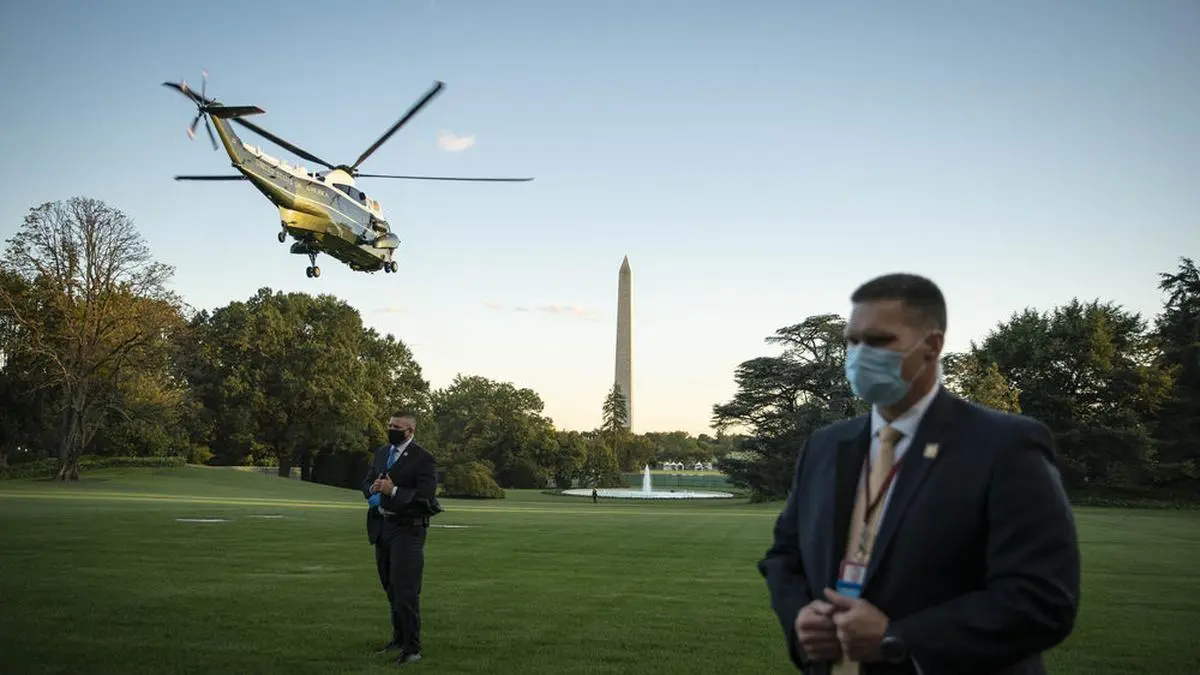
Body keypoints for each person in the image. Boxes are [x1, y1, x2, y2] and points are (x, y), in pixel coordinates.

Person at [758, 273, 1080, 674]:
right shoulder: (825, 446)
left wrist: (899, 639)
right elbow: (784, 554)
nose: (859, 355)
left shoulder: (1004, 446)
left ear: (932, 346)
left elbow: (1042, 600)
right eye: (852, 341)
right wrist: (800, 617)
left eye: (878, 341)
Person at [363, 411, 439, 665]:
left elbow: (426, 497)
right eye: (390, 425)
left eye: (397, 426)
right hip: (382, 527)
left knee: (406, 590)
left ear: (410, 431)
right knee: (391, 587)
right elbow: (366, 481)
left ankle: (412, 649)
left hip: (409, 530)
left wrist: (393, 490)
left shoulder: (423, 459)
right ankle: (397, 639)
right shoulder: (382, 453)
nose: (392, 429)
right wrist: (372, 489)